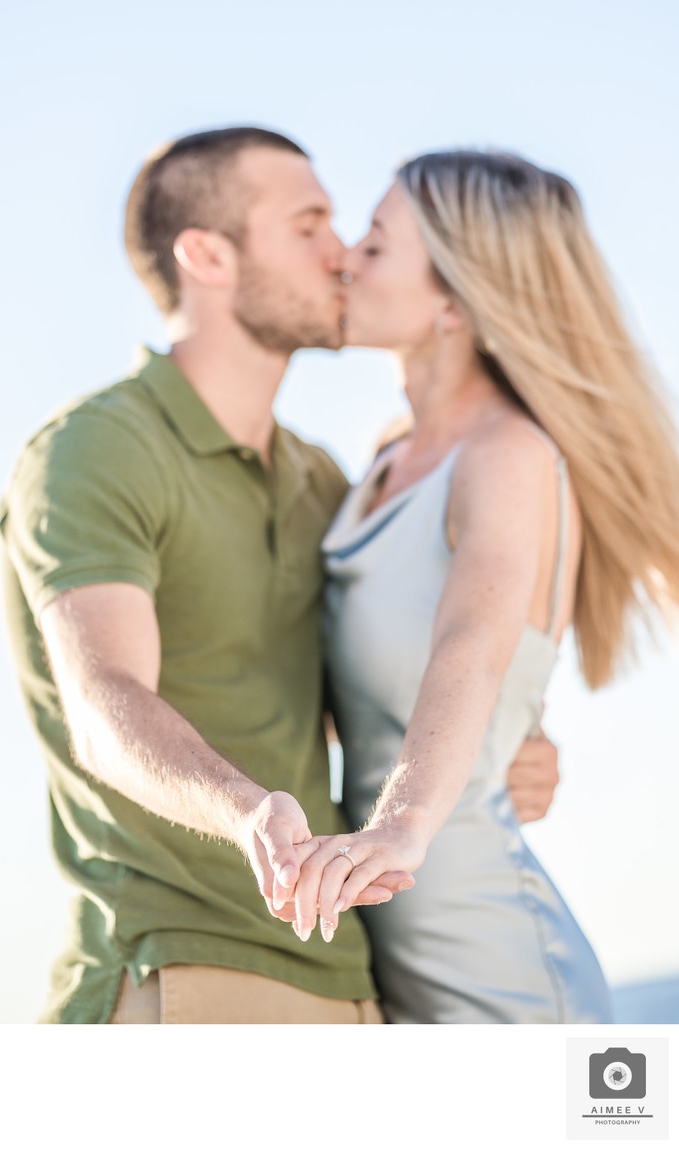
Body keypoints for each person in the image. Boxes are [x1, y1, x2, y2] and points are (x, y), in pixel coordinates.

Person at [0, 129, 558, 1025]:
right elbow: (102, 705)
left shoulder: (323, 481)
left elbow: (372, 683)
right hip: (182, 959)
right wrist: (245, 810)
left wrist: (507, 747)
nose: (340, 253)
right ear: (207, 255)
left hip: (344, 971)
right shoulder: (96, 448)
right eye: (308, 225)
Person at [279, 149, 679, 1024]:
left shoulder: (506, 456)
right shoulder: (384, 460)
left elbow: (471, 641)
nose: (346, 255)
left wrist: (400, 823)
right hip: (387, 957)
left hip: (498, 971)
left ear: (454, 300)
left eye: (376, 246)